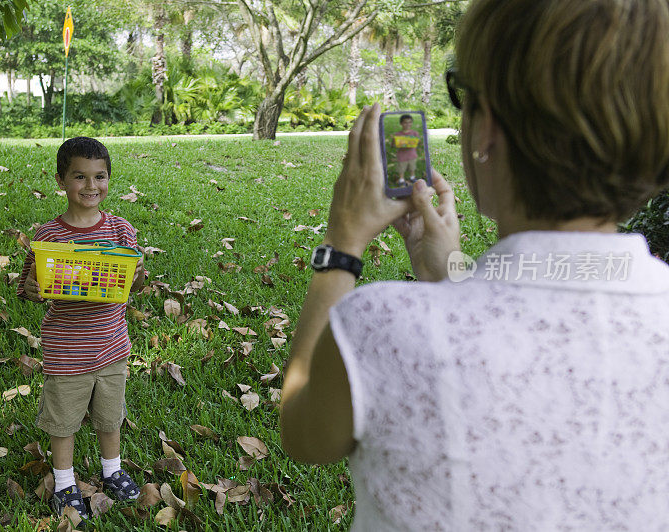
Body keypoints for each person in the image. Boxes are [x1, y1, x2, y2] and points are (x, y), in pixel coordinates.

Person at [280, 0, 669, 530]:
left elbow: (301, 432)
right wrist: (452, 275)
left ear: (486, 127)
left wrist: (342, 247)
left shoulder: (382, 327)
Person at [17, 137, 145, 520]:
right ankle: (65, 481)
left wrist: (139, 275)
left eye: (99, 177)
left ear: (108, 179)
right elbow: (29, 288)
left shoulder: (121, 230)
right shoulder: (49, 236)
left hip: (111, 346)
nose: (91, 186)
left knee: (110, 416)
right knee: (64, 421)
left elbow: (136, 285)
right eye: (80, 177)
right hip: (66, 348)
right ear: (61, 181)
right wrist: (33, 290)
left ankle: (112, 470)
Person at [393, 114, 419, 185]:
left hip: (412, 155)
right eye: (405, 122)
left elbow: (417, 142)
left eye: (410, 122)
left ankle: (412, 177)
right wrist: (398, 143)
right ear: (401, 123)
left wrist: (414, 142)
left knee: (412, 167)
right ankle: (401, 179)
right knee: (401, 168)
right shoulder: (398, 134)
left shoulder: (414, 133)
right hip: (402, 156)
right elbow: (394, 144)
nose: (408, 124)